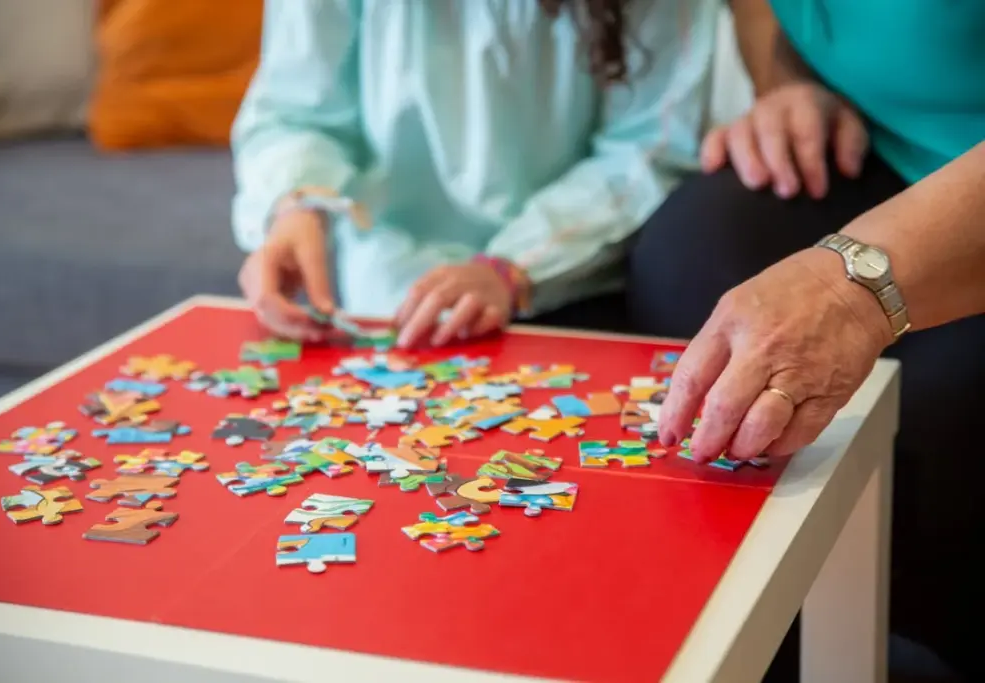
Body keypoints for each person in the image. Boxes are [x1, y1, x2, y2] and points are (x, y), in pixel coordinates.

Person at [629, 0, 985, 680]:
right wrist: (788, 84)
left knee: (942, 401)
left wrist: (848, 292)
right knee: (686, 258)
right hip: (866, 145)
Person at [232, 0, 717, 348]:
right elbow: (296, 113)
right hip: (386, 298)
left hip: (571, 282)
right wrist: (296, 207)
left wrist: (513, 265)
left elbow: (646, 149)